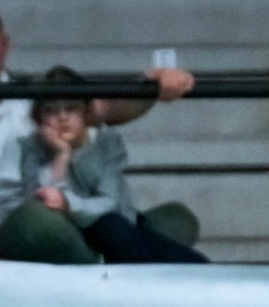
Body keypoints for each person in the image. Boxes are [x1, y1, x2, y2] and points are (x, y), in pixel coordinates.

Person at [0, 0, 195, 260]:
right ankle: (119, 263)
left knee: (177, 219)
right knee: (42, 220)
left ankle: (120, 257)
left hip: (45, 235)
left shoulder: (31, 96)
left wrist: (153, 85)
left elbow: (106, 109)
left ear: (4, 47)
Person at [18, 67, 208, 264]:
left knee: (190, 262)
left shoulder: (105, 142)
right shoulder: (32, 147)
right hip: (68, 233)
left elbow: (109, 203)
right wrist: (61, 155)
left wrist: (69, 203)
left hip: (116, 224)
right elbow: (40, 201)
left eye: (71, 108)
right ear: (38, 117)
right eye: (51, 110)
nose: (62, 117)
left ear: (86, 111)